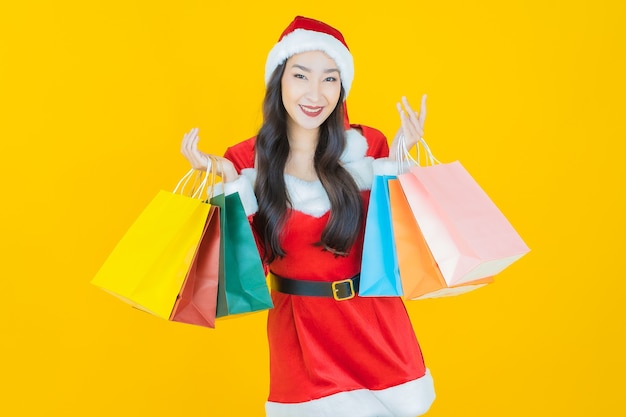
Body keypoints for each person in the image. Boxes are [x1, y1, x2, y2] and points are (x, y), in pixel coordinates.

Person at [181, 16, 435, 417]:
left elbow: (397, 246)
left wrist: (402, 157)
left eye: (330, 79)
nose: (315, 93)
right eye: (301, 75)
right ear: (278, 80)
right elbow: (249, 268)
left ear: (342, 87)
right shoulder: (246, 161)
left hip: (376, 326)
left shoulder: (369, 147)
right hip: (301, 336)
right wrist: (229, 181)